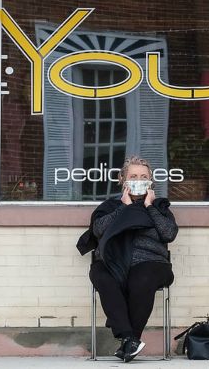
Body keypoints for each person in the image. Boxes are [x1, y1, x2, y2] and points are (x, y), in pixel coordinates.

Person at [76, 155, 177, 363]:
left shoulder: (159, 208)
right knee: (101, 276)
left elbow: (168, 234)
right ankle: (130, 339)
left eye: (143, 176)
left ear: (150, 182)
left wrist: (149, 207)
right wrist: (124, 207)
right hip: (113, 263)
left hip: (152, 263)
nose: (138, 180)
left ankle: (129, 339)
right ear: (123, 179)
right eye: (133, 176)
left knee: (142, 278)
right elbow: (98, 230)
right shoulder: (111, 206)